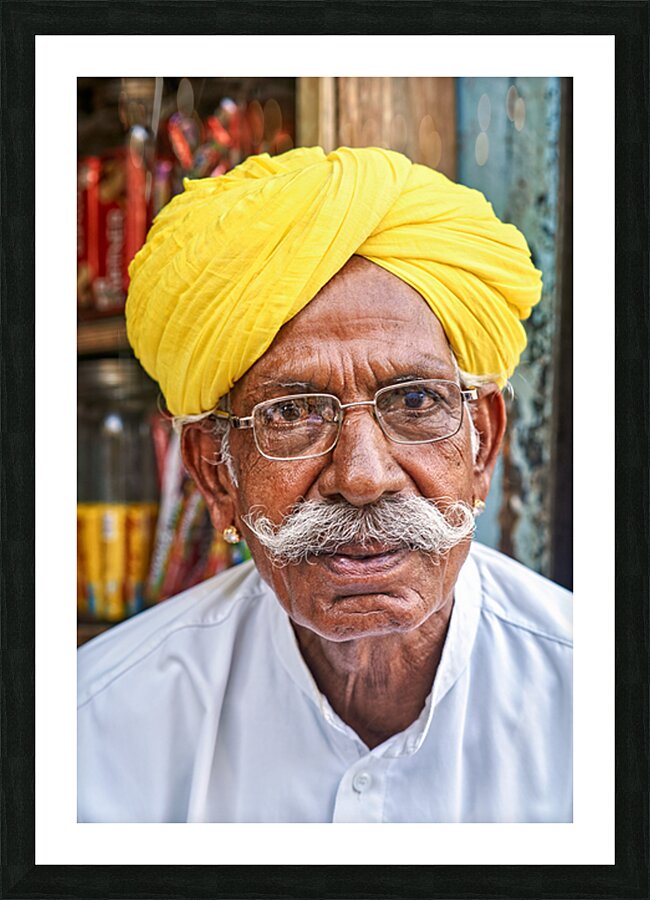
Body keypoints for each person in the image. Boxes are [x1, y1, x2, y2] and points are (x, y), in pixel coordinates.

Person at [77, 146, 572, 823]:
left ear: (482, 439)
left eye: (416, 402)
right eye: (293, 413)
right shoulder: (91, 733)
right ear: (216, 471)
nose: (364, 477)